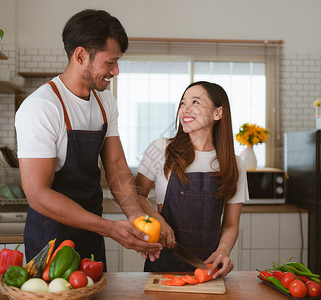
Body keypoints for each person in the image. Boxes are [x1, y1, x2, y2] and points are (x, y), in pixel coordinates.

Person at [15, 9, 161, 269]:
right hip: (51, 238)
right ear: (81, 55)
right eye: (110, 62)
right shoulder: (42, 106)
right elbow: (36, 193)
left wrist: (139, 220)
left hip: (92, 233)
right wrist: (108, 228)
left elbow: (116, 166)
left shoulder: (105, 101)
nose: (116, 71)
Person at [136, 81, 249, 278]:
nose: (185, 109)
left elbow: (231, 224)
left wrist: (222, 252)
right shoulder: (161, 149)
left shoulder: (234, 164)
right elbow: (137, 195)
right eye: (182, 103)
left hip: (208, 270)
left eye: (195, 102)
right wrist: (157, 219)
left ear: (218, 113)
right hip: (163, 266)